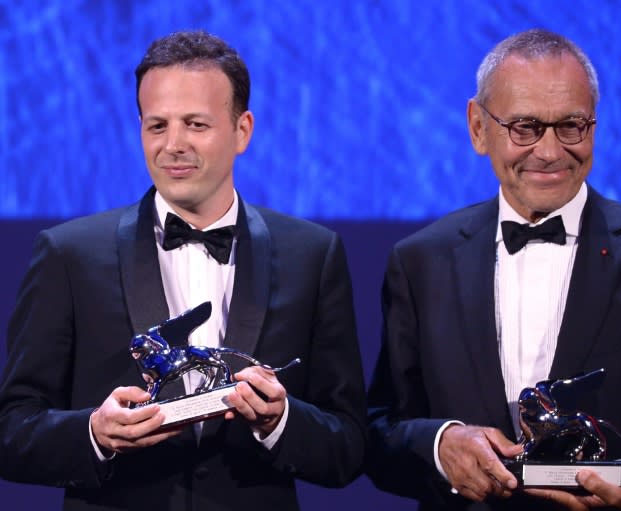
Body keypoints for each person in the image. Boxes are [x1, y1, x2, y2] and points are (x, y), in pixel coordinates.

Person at [366, 28, 621, 511]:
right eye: (525, 128)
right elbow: (377, 433)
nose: (551, 151)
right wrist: (439, 445)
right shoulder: (420, 261)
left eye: (571, 125)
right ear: (478, 127)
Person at [0, 30, 366, 510]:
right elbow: (12, 431)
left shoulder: (313, 255)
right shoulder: (68, 254)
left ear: (243, 130)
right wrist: (93, 433)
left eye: (195, 124)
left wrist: (280, 422)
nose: (173, 145)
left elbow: (350, 446)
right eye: (157, 126)